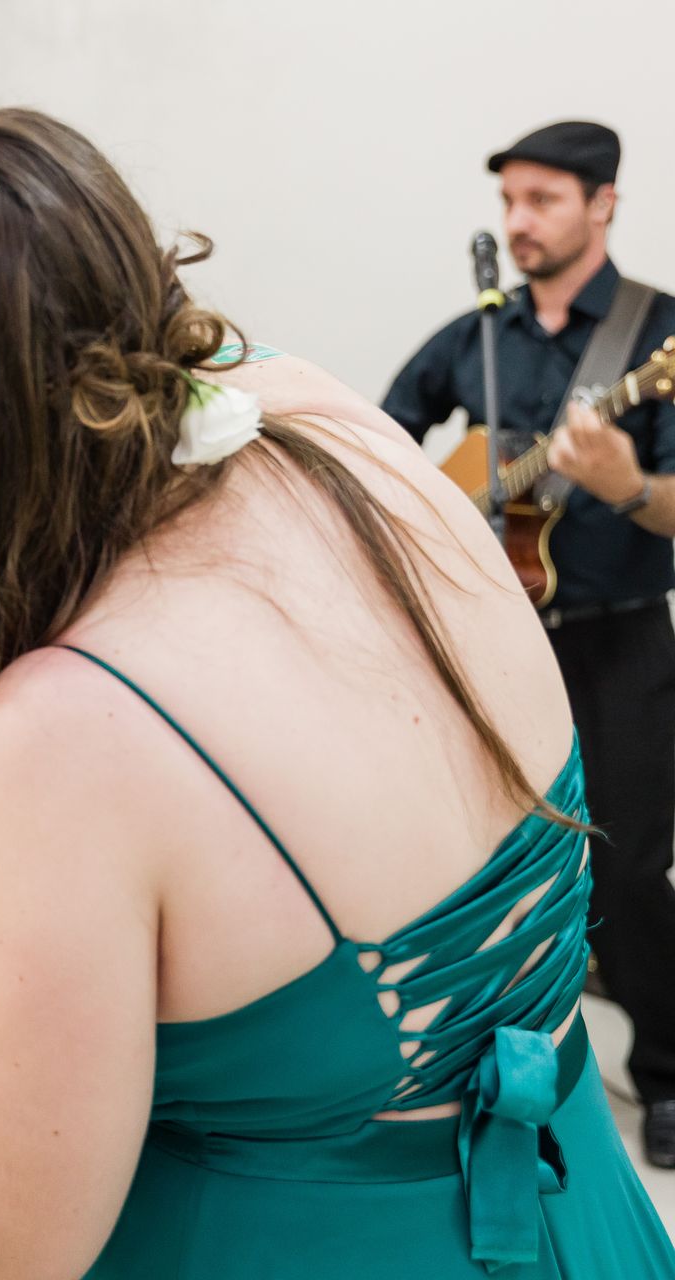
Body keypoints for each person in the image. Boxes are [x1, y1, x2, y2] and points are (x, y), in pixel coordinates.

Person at [0, 102, 675, 1277]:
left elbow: (1, 1233)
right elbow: (90, 310)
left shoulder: (71, 725)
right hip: (584, 1220)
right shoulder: (344, 431)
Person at [383, 119, 675, 1168]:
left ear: (602, 204)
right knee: (481, 863)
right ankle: (492, 1070)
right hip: (492, 645)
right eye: (509, 202)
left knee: (632, 865)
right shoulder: (479, 337)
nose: (518, 223)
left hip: (618, 642)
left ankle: (669, 1073)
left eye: (543, 200)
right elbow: (381, 442)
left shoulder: (655, 337)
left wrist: (626, 486)